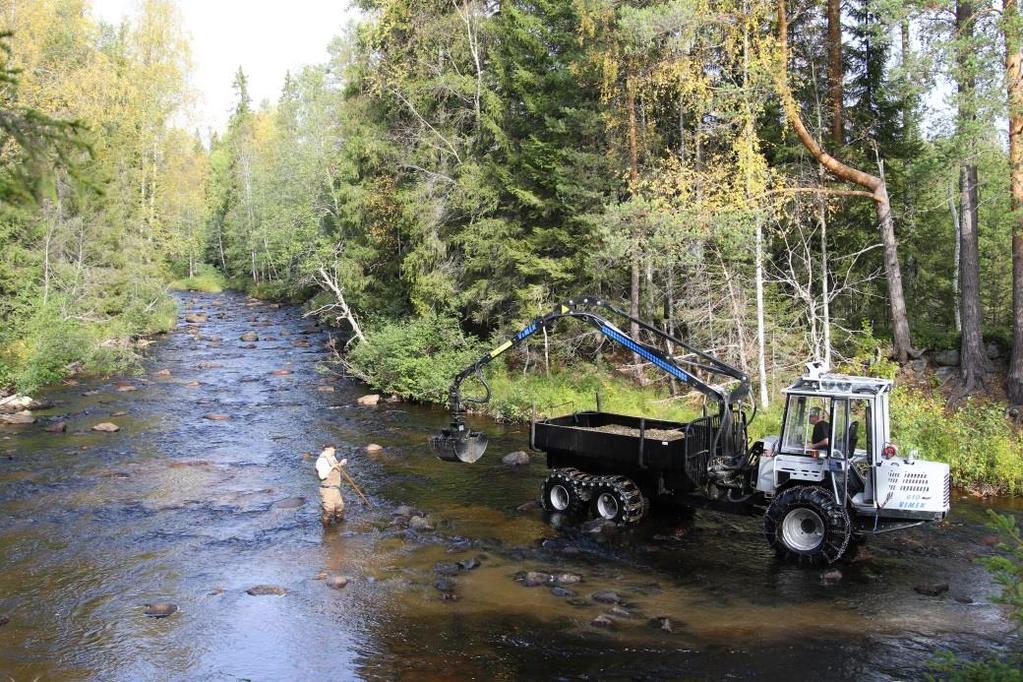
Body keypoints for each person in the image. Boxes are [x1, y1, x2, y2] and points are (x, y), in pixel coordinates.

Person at [315, 446, 346, 526]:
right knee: (329, 510)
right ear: (327, 449)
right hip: (327, 489)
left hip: (335, 488)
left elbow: (335, 468)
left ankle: (339, 527)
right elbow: (322, 476)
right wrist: (333, 466)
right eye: (333, 449)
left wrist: (340, 464)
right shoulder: (321, 461)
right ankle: (326, 529)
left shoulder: (332, 457)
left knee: (340, 508)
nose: (334, 451)